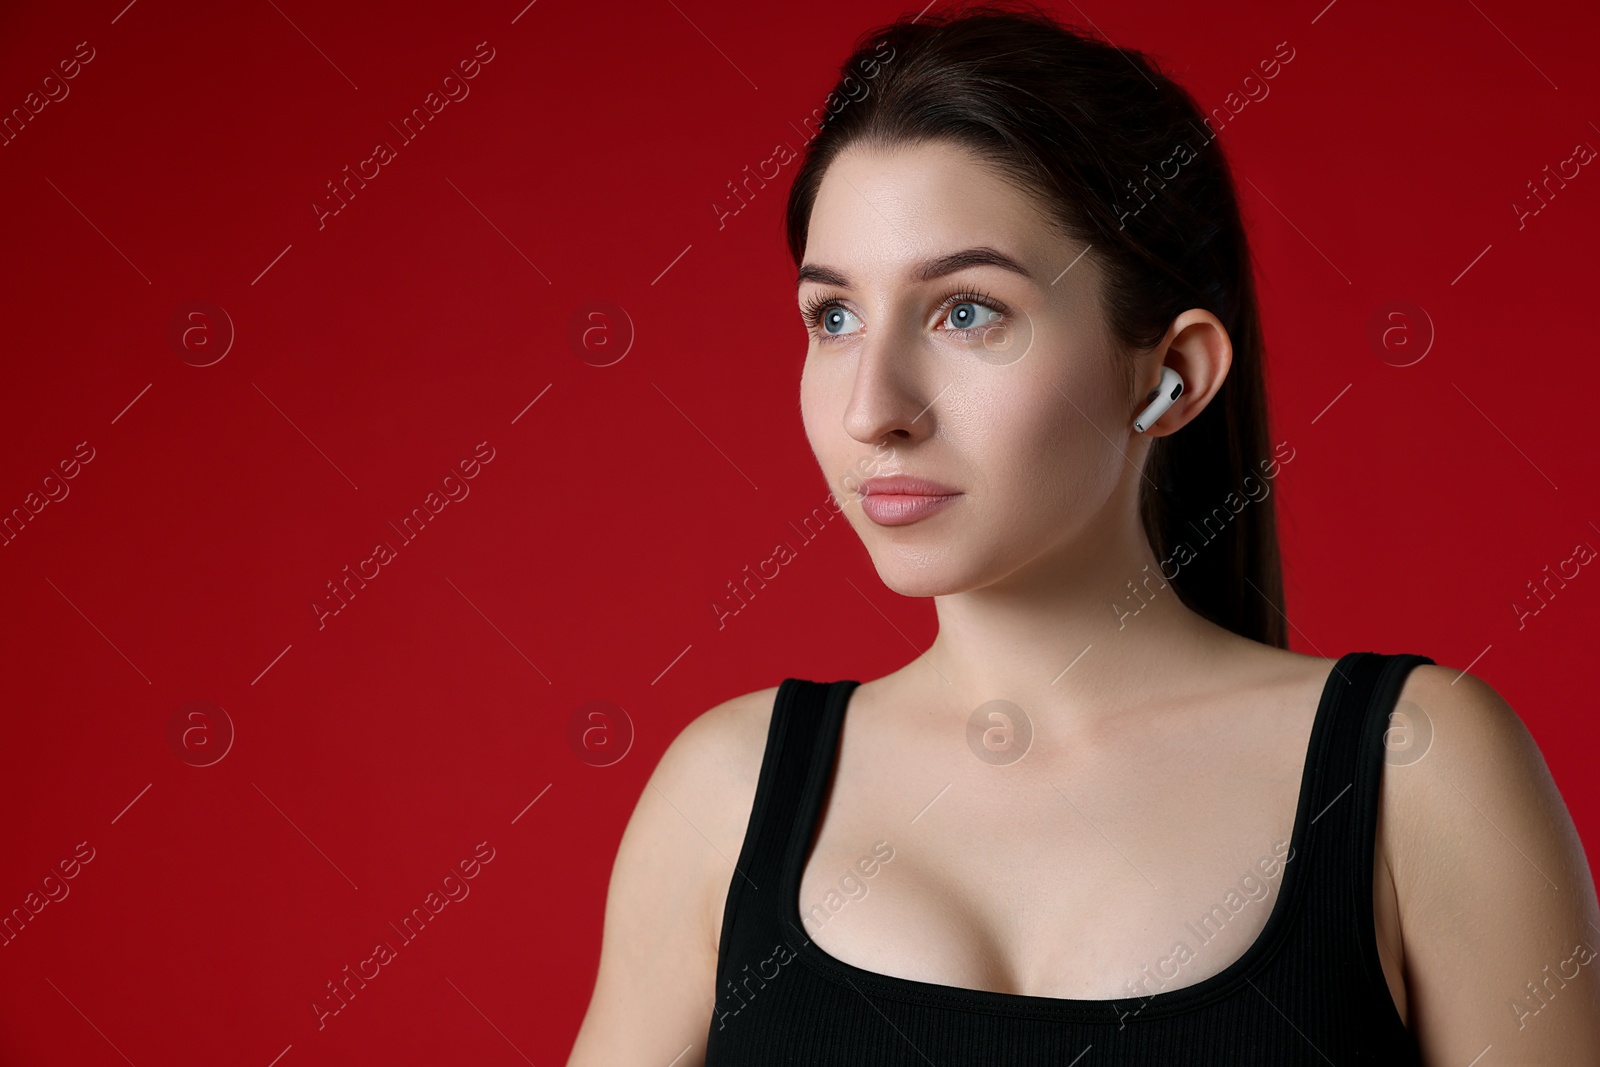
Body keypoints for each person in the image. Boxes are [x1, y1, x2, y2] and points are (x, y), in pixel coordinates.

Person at [566, 4, 1600, 1062]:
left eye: (966, 309)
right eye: (833, 316)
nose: (872, 406)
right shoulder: (724, 796)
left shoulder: (1412, 768)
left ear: (1171, 373)